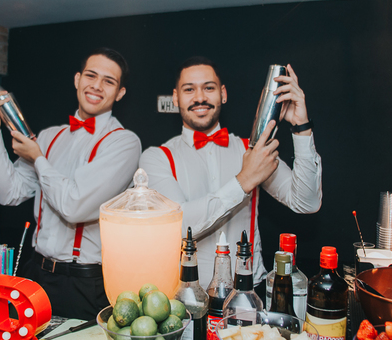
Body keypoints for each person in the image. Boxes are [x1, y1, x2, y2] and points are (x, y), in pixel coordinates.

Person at [0, 48, 141, 320]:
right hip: (35, 272)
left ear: (120, 93)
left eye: (108, 81)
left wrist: (38, 159)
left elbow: (74, 206)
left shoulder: (123, 142)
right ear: (77, 79)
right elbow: (8, 193)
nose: (97, 85)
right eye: (91, 75)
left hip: (83, 283)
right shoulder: (49, 136)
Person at [138, 57, 322, 285]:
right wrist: (244, 180)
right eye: (189, 89)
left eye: (209, 88)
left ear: (223, 94)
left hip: (249, 291)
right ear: (176, 98)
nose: (200, 97)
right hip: (186, 295)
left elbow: (306, 202)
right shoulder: (156, 158)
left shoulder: (252, 151)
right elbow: (178, 226)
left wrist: (302, 127)